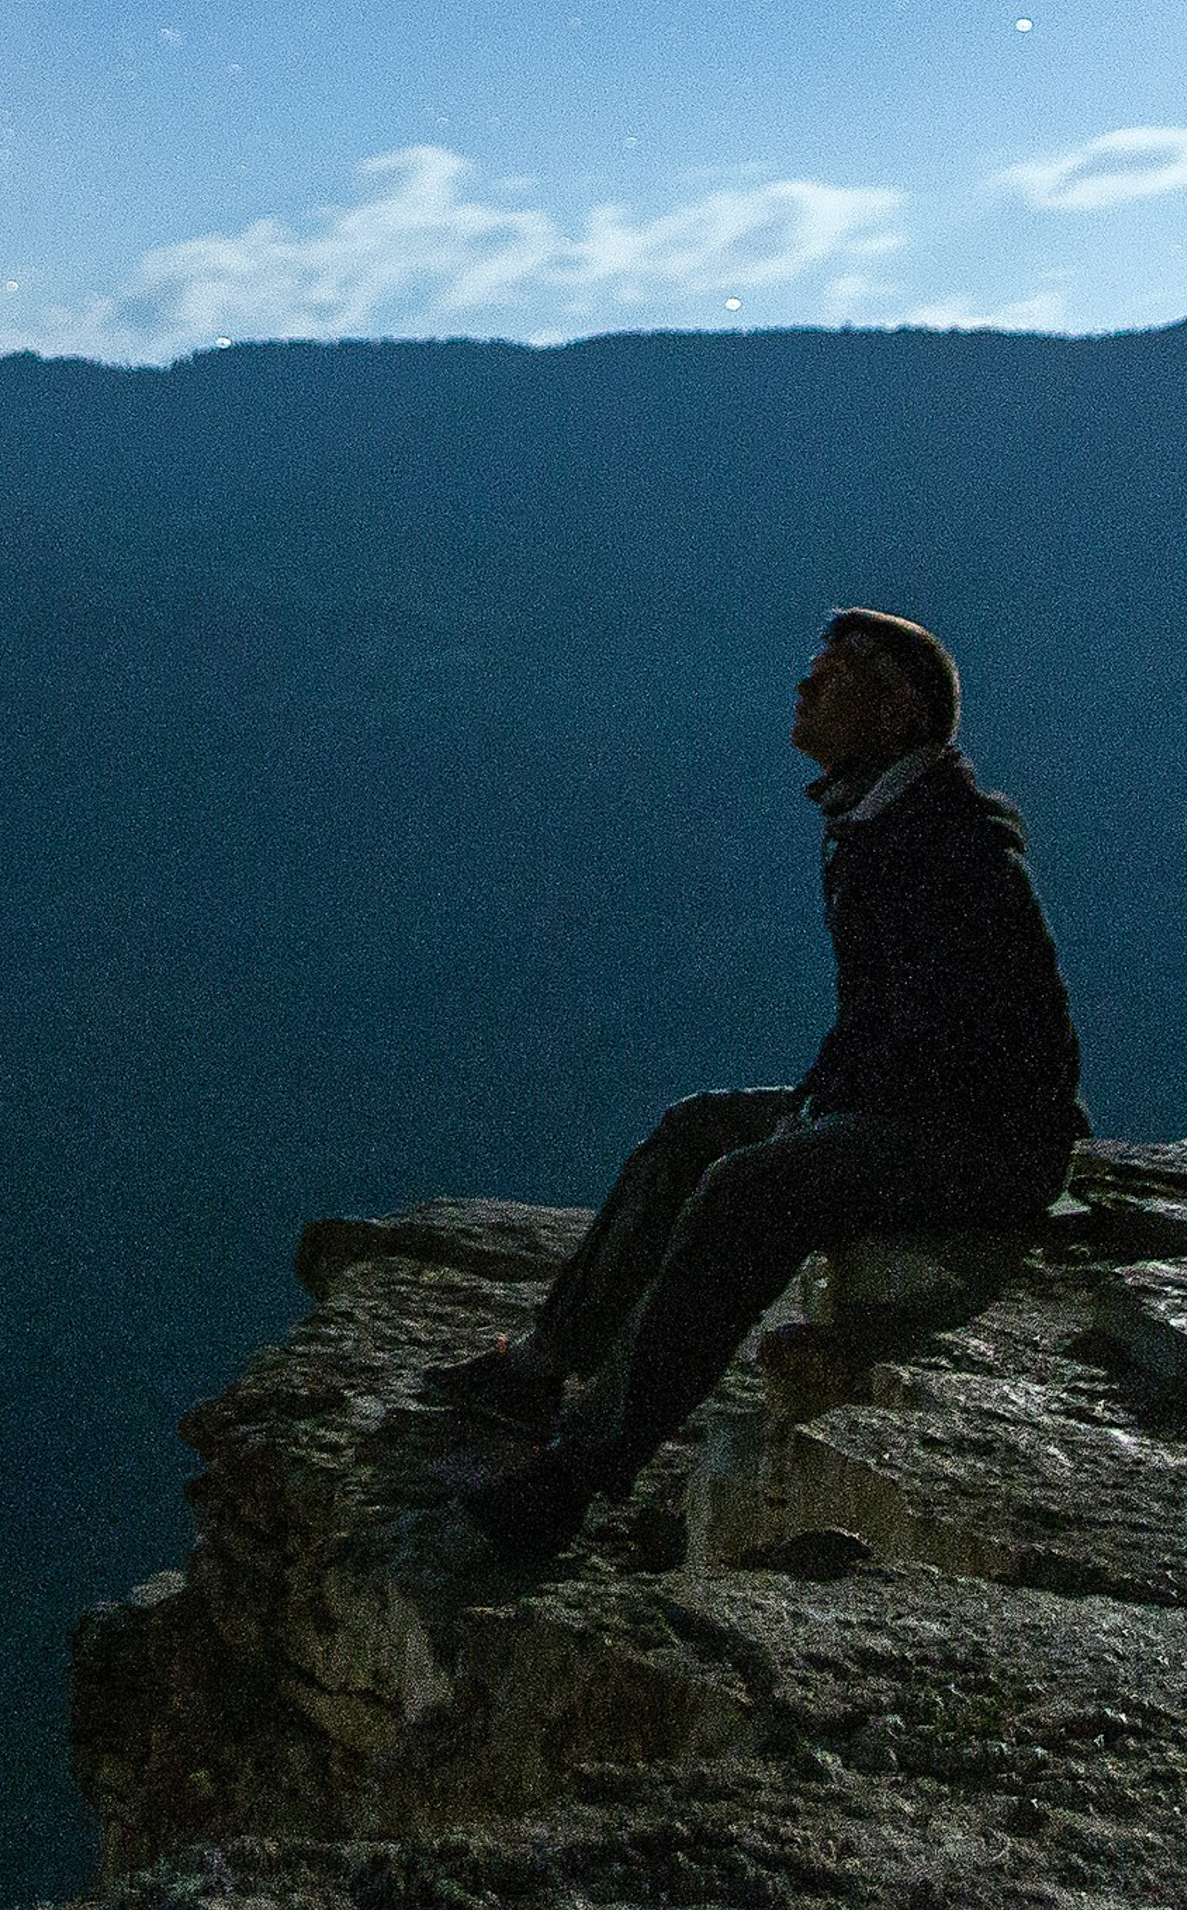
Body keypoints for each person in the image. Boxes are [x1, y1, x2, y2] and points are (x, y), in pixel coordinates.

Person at [433, 605, 1082, 1563]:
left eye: (836, 673)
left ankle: (578, 1472)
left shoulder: (948, 847)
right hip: (921, 1112)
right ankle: (544, 1363)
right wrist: (826, 1106)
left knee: (751, 1189)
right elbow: (889, 1022)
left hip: (985, 1145)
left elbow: (972, 1043)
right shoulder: (884, 818)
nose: (805, 685)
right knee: (697, 1131)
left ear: (899, 712)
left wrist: (822, 1119)